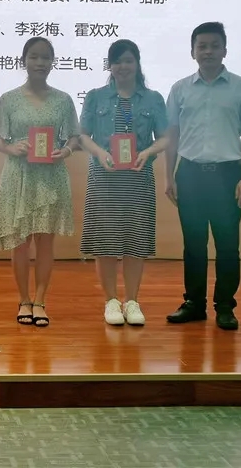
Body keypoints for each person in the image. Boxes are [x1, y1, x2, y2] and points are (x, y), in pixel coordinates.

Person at [164, 22, 241, 331]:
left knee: (227, 245)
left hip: (227, 176)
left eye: (214, 45)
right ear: (192, 51)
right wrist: (169, 177)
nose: (208, 51)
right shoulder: (180, 89)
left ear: (225, 50)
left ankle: (225, 307)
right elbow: (172, 136)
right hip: (190, 174)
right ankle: (194, 303)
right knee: (193, 245)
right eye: (202, 46)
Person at [0, 36, 81, 327]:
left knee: (45, 242)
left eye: (45, 57)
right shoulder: (8, 99)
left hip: (51, 176)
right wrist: (10, 147)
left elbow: (74, 136)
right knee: (20, 242)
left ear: (53, 62)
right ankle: (24, 299)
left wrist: (65, 151)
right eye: (34, 57)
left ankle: (40, 300)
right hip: (19, 175)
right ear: (24, 61)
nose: (40, 63)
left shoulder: (63, 100)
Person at [78, 39, 169, 327]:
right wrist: (99, 152)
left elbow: (165, 137)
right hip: (104, 177)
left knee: (135, 240)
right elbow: (82, 135)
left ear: (137, 63)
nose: (122, 66)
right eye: (117, 61)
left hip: (138, 178)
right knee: (105, 241)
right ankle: (111, 301)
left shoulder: (153, 99)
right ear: (110, 65)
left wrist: (148, 152)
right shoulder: (96, 97)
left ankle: (131, 300)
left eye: (128, 60)